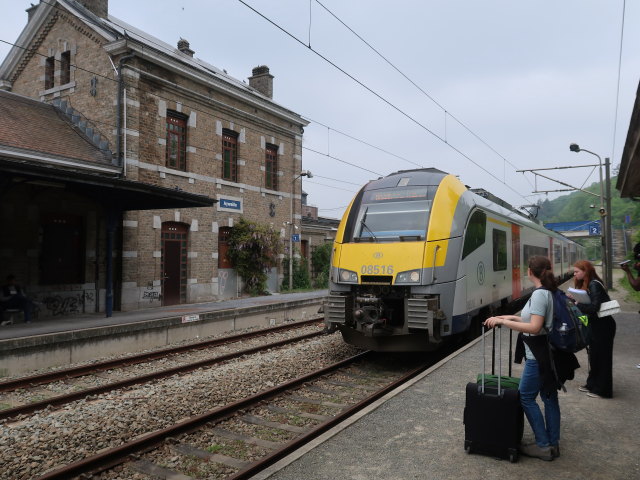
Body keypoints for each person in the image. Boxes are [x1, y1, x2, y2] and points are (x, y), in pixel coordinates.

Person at [484, 255, 575, 461]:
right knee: (549, 398)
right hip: (549, 354)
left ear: (529, 272)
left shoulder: (540, 294)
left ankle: (543, 446)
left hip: (538, 356)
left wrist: (505, 324)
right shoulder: (549, 292)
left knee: (525, 396)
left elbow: (534, 327)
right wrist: (508, 317)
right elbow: (536, 320)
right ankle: (552, 444)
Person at [572, 260, 616, 397]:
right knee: (594, 356)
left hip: (603, 327)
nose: (574, 274)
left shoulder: (594, 285)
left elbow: (594, 308)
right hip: (597, 325)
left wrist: (577, 304)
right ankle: (592, 384)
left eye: (577, 272)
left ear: (585, 271)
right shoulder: (589, 284)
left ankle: (603, 390)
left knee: (602, 358)